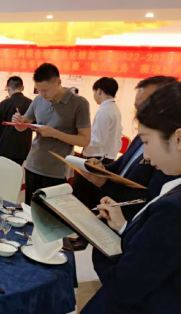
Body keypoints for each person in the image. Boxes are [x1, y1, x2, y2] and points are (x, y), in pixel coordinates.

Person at [77, 82, 181, 314]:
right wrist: (124, 228)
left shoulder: (173, 209)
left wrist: (99, 239)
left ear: (178, 138)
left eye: (147, 141)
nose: (145, 155)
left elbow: (126, 285)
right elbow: (158, 258)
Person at [73, 76, 177, 221]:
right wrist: (101, 169)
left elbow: (151, 198)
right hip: (113, 212)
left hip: (131, 219)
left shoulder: (172, 157)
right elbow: (123, 164)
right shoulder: (141, 135)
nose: (140, 115)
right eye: (138, 108)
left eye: (147, 107)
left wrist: (104, 182)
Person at [12, 63, 91, 204]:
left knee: (48, 213)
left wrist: (55, 133)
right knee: (29, 209)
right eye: (39, 90)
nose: (42, 94)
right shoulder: (38, 100)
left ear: (58, 82)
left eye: (45, 90)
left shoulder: (79, 103)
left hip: (56, 170)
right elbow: (23, 126)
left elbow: (84, 140)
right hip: (33, 163)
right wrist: (19, 122)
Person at [0, 76, 33, 166]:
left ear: (8, 88)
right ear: (22, 88)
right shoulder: (31, 103)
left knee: (3, 171)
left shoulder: (3, 104)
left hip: (5, 147)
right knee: (17, 171)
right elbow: (34, 126)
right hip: (22, 148)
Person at [82, 77, 122, 164]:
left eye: (94, 92)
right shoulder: (114, 109)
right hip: (107, 156)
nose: (94, 95)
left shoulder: (104, 111)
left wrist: (81, 140)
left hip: (98, 158)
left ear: (99, 91)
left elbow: (98, 139)